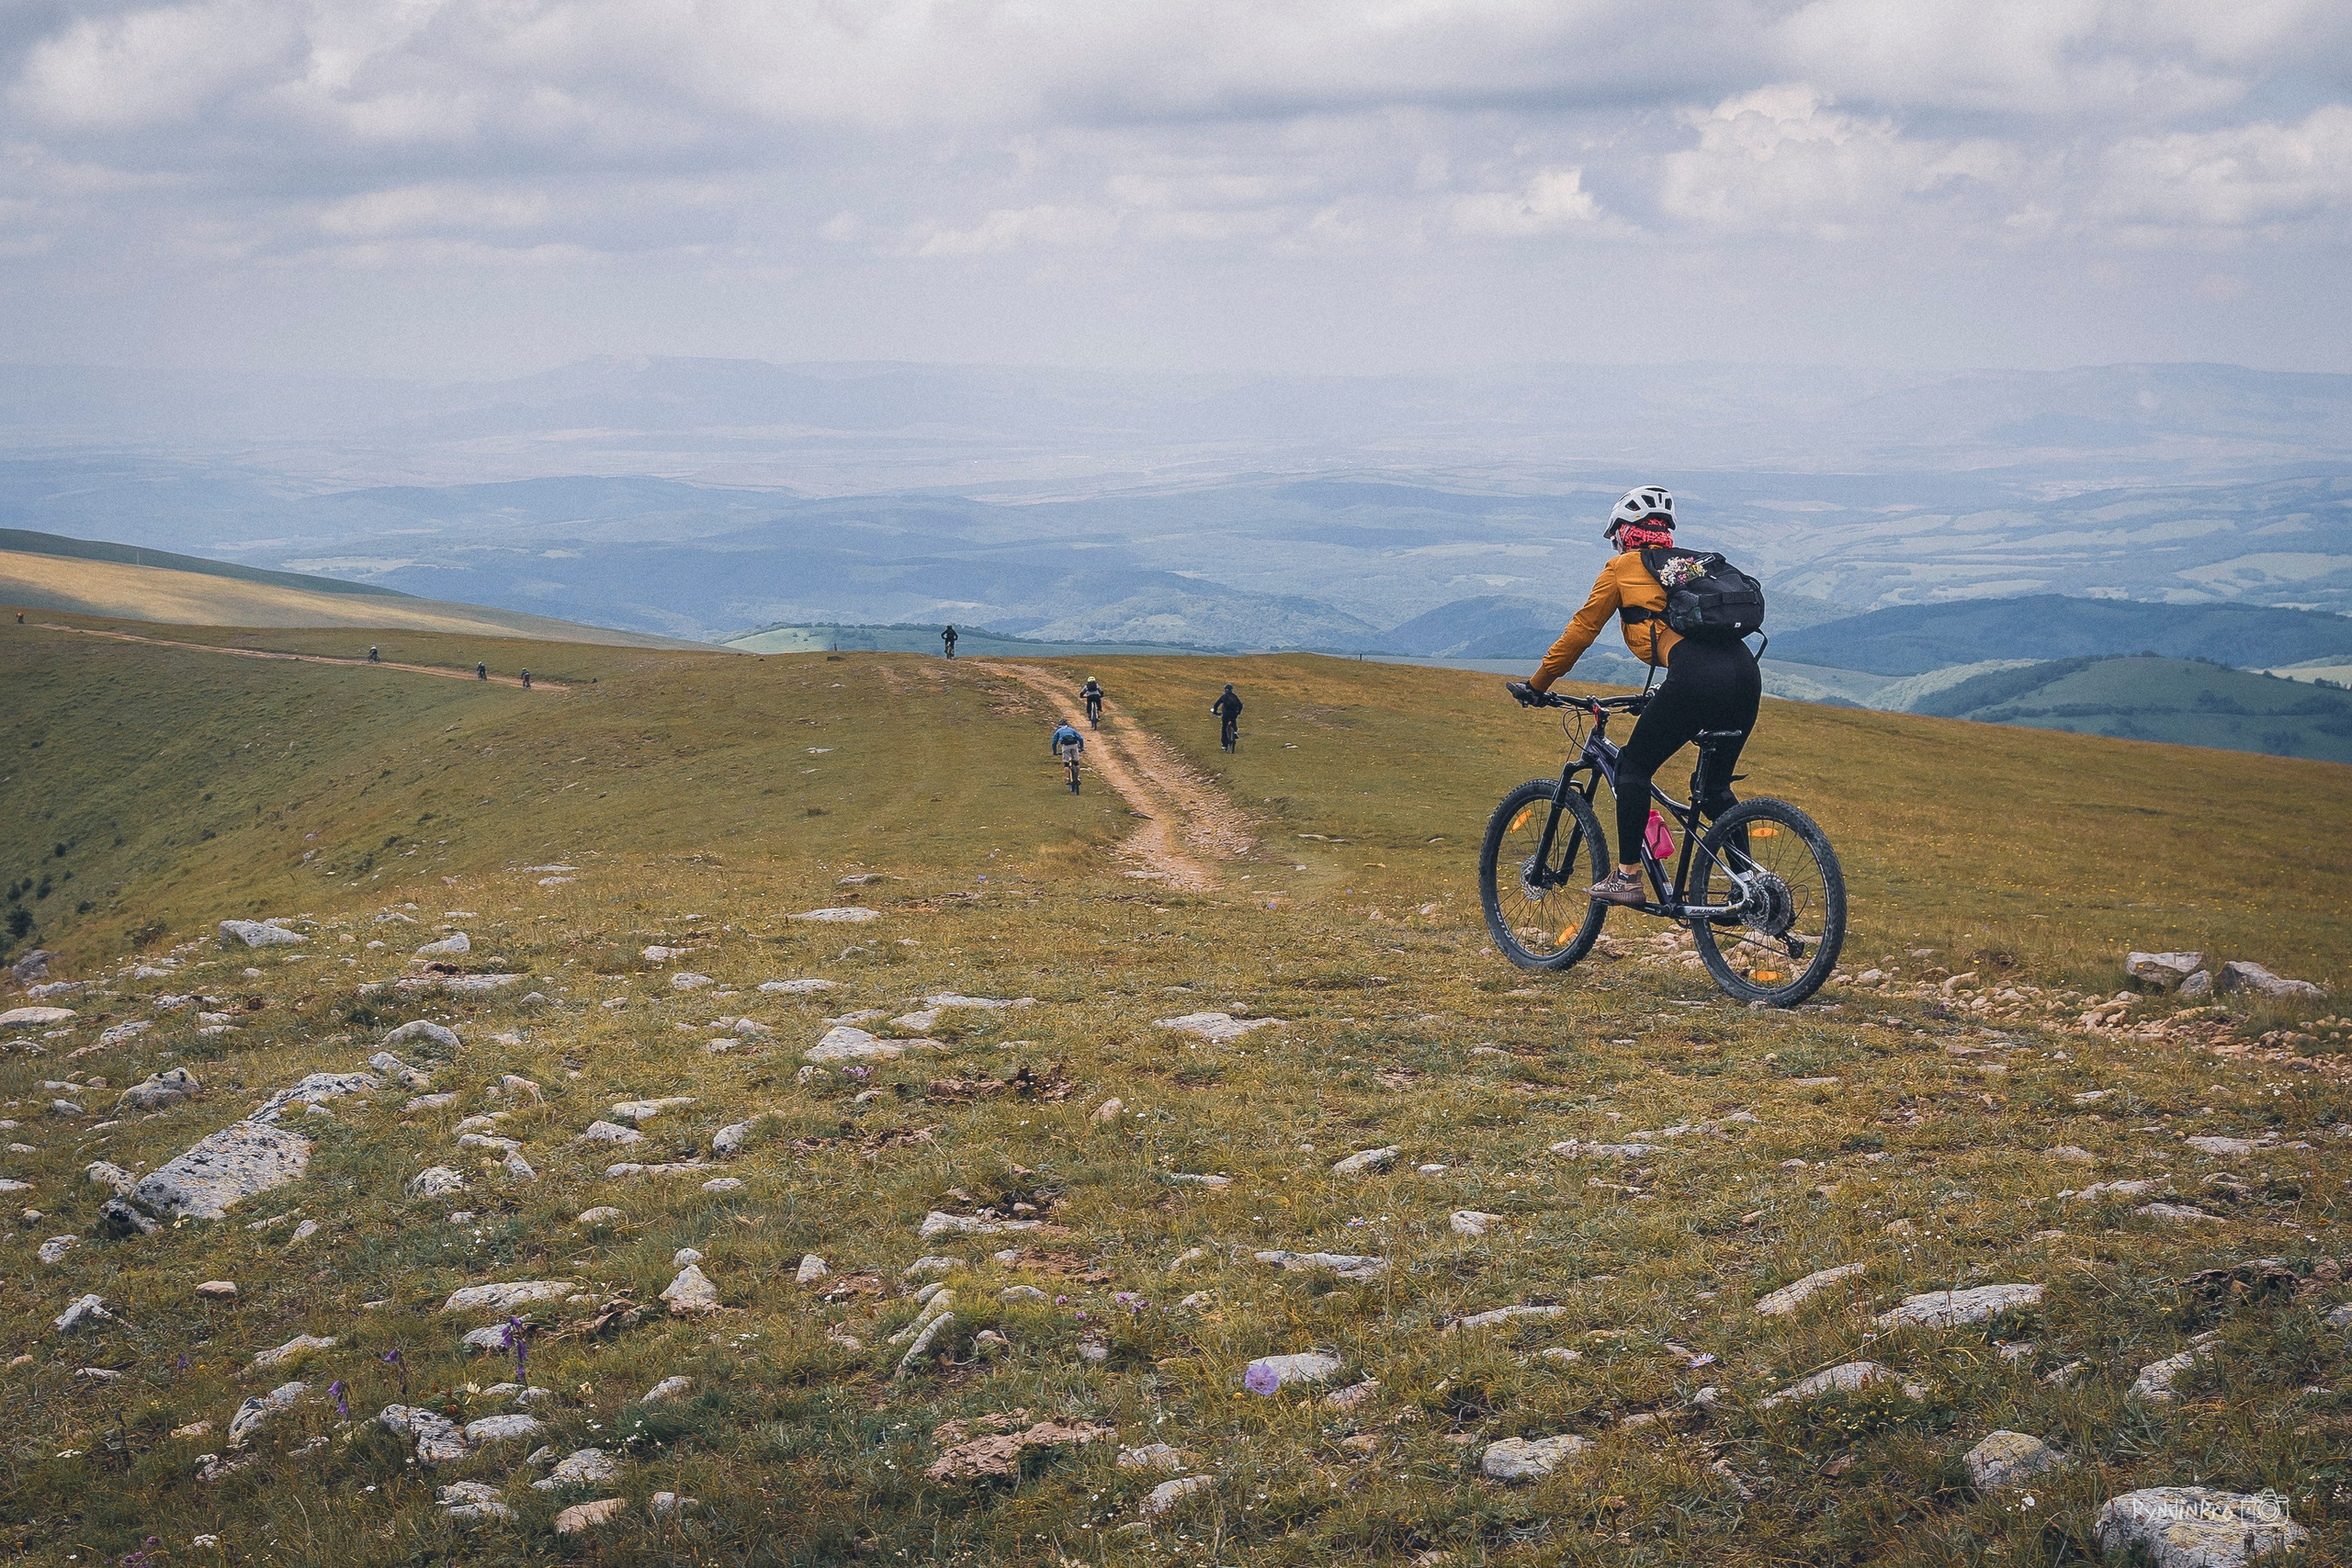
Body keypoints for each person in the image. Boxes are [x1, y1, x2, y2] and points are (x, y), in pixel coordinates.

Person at [1516, 484, 1759, 906]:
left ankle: (1627, 877)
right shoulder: (1689, 565)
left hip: (1696, 677)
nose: (1615, 545)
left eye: (1615, 537)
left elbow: (1581, 632)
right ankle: (1754, 888)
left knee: (1632, 766)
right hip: (1745, 675)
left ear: (1625, 532)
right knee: (1715, 788)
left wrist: (1538, 684)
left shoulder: (1622, 567)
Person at [1050, 720, 1085, 792]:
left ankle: (1068, 779)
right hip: (1074, 745)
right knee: (1076, 762)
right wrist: (1081, 747)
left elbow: (1054, 742)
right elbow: (1080, 738)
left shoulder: (1058, 731)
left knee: (1066, 764)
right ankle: (1078, 777)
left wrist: (1055, 752)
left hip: (1065, 746)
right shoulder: (1071, 729)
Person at [1210, 683, 1243, 752]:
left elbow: (1216, 704)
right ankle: (1234, 732)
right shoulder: (1234, 696)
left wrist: (1215, 712)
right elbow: (1240, 705)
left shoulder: (1224, 696)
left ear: (1225, 690)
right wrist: (1238, 712)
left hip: (1226, 714)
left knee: (1224, 728)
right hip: (1234, 714)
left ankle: (1224, 745)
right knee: (1233, 723)